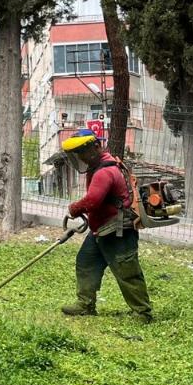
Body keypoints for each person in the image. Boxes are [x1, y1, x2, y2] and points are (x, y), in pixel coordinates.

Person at [60, 129, 153, 323]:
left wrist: (75, 208)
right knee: (86, 262)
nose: (80, 157)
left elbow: (93, 200)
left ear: (96, 147)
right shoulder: (99, 167)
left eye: (82, 151)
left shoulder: (105, 171)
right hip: (101, 230)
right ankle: (85, 304)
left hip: (117, 230)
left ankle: (142, 312)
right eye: (77, 153)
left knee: (127, 271)